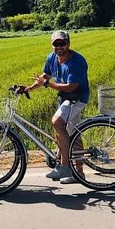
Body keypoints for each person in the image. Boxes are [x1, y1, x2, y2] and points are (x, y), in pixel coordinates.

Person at [19, 30, 89, 184]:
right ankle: (79, 174)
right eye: (56, 44)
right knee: (69, 133)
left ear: (68, 43)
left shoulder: (77, 61)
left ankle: (64, 166)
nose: (59, 47)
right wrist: (29, 88)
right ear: (52, 45)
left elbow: (71, 87)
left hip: (77, 98)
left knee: (57, 122)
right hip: (64, 99)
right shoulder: (51, 58)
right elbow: (45, 76)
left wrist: (48, 85)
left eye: (62, 43)